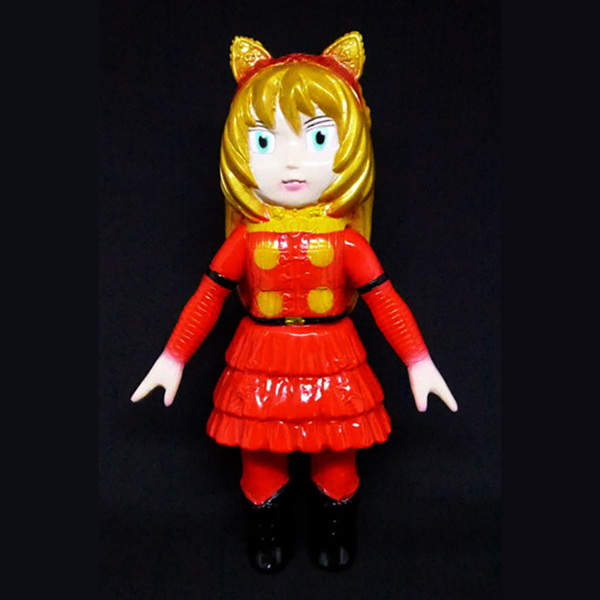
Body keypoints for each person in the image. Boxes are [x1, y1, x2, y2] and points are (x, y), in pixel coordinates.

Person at [131, 32, 457, 573]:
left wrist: (418, 362)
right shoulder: (245, 241)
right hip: (260, 357)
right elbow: (207, 298)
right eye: (264, 142)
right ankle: (268, 532)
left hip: (334, 357)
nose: (291, 164)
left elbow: (387, 302)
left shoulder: (347, 244)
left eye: (318, 139)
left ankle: (335, 530)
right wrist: (173, 358)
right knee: (260, 457)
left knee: (337, 457)